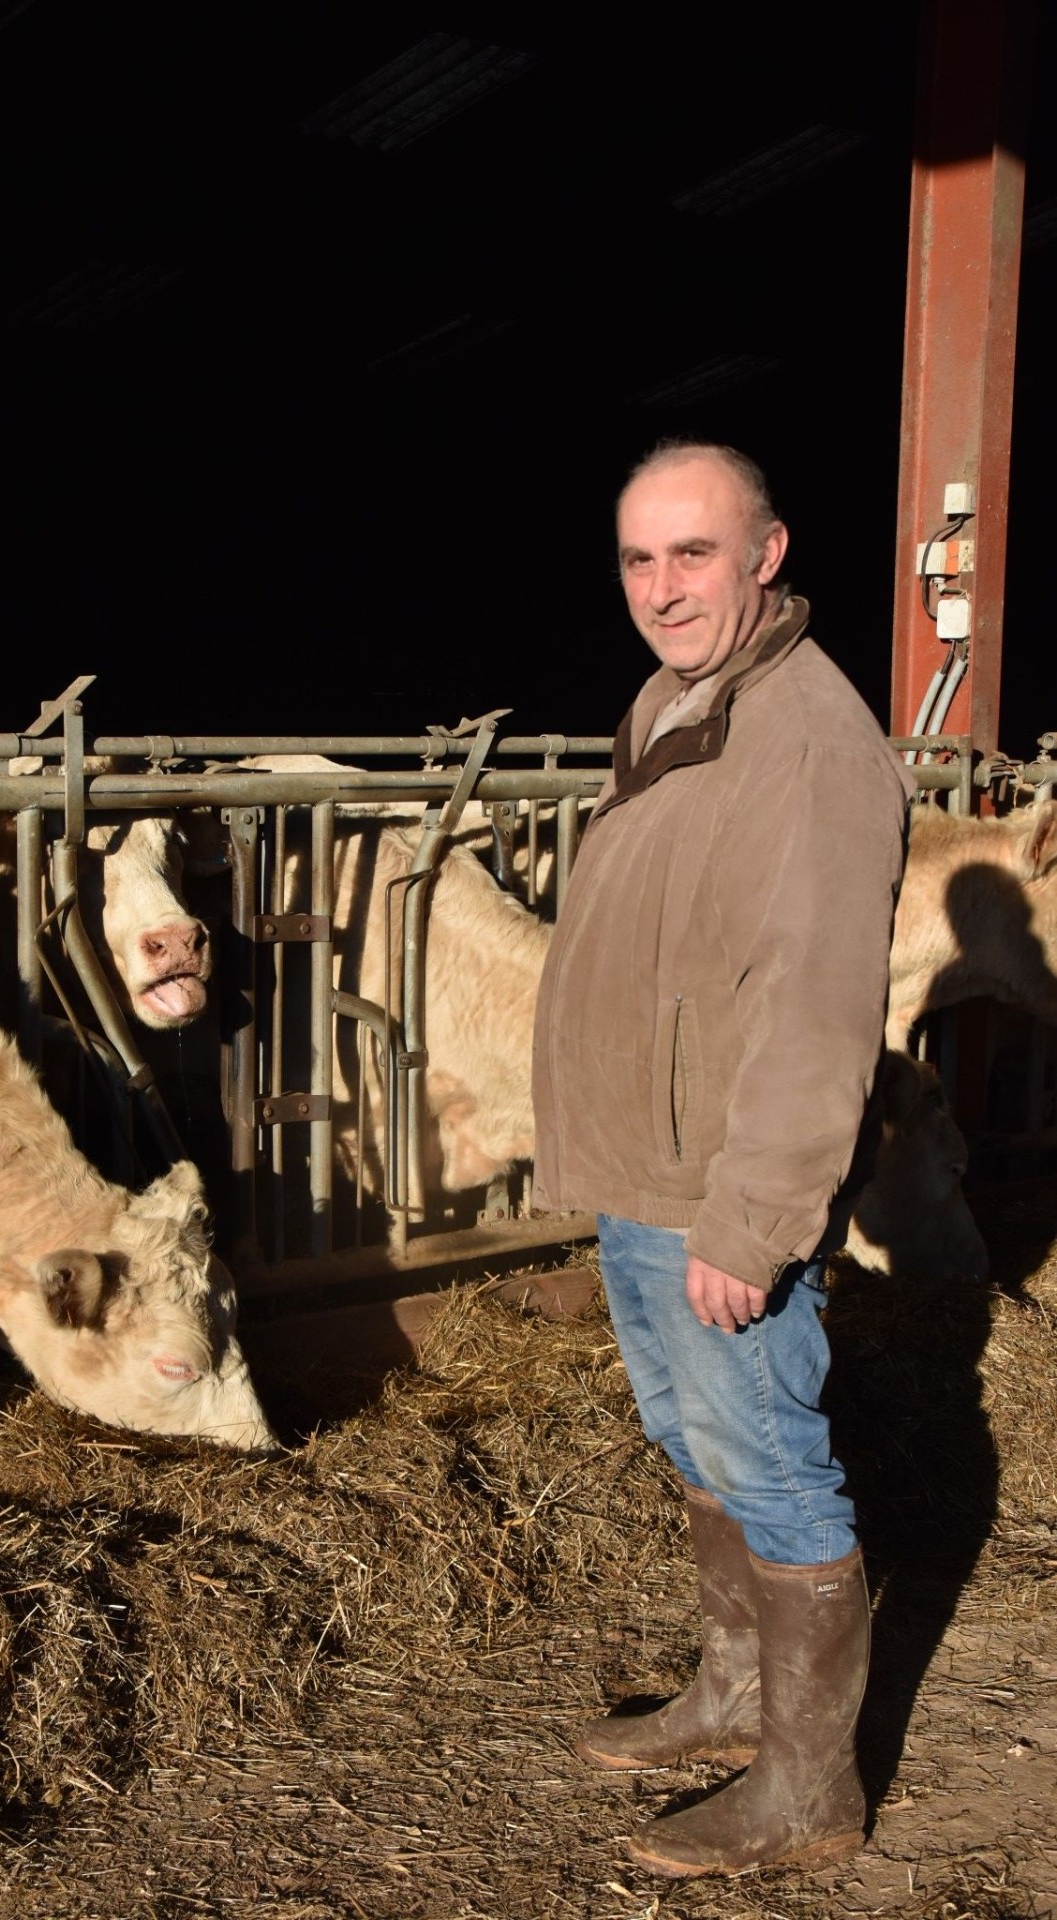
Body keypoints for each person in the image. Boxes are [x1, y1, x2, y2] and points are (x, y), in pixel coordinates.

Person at [530, 440, 914, 1877]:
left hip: (716, 1188)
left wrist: (753, 1225)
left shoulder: (810, 741)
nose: (662, 587)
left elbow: (816, 1006)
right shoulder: (681, 697)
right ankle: (736, 1693)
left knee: (775, 1469)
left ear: (767, 552)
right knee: (697, 1443)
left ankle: (809, 1793)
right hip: (647, 1161)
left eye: (695, 553)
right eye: (639, 557)